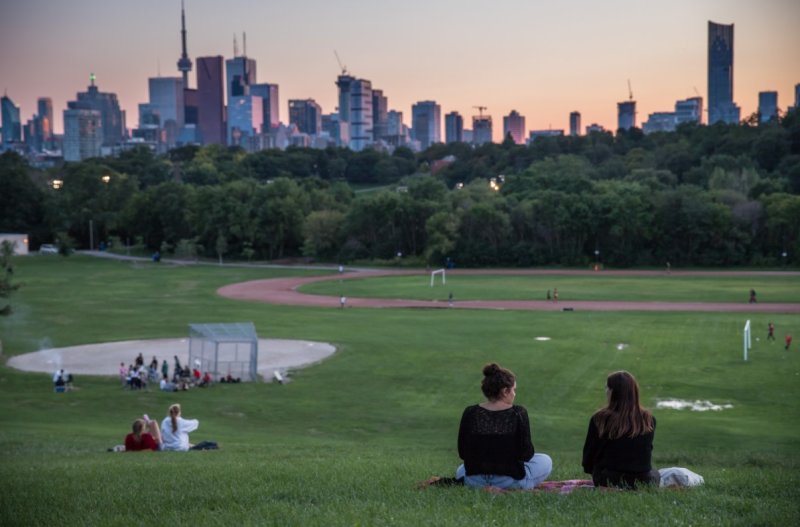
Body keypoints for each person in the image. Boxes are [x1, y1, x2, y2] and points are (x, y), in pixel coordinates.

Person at [455, 363, 553, 490]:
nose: (514, 394)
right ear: (505, 391)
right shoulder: (518, 413)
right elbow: (526, 454)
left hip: (474, 480)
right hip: (509, 481)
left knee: (461, 469)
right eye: (514, 390)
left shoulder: (470, 412)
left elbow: (463, 453)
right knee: (545, 460)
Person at [582, 371, 659, 488]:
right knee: (655, 473)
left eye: (607, 388)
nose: (606, 392)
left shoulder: (600, 419)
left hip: (607, 479)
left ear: (613, 392)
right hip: (643, 481)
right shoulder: (649, 419)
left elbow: (588, 457)